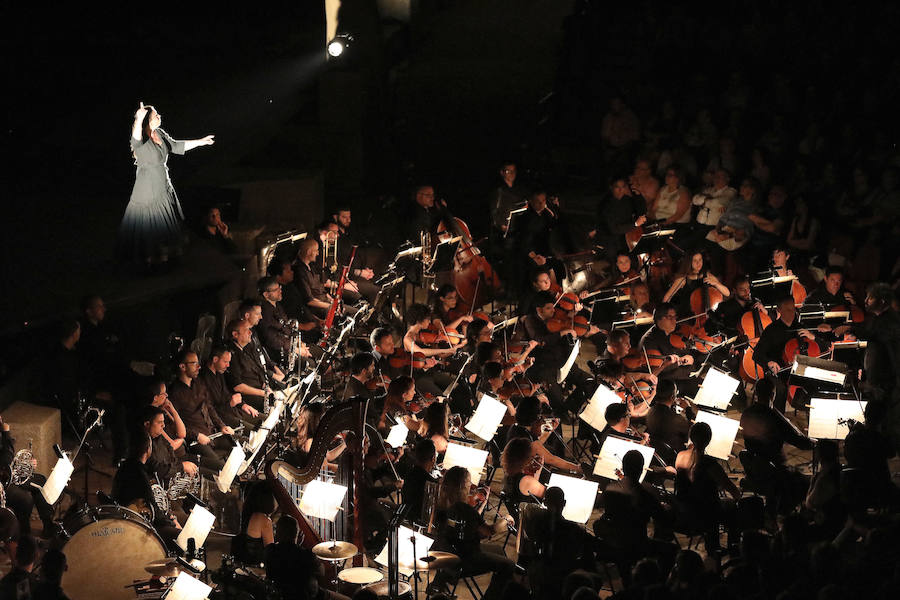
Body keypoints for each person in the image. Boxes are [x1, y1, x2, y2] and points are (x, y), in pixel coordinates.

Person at [117, 102, 214, 266]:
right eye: (156, 115)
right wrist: (138, 119)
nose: (159, 116)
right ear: (148, 120)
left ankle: (164, 258)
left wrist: (201, 141)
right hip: (148, 187)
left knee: (166, 222)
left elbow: (176, 145)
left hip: (163, 183)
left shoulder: (159, 133)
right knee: (151, 222)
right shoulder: (141, 139)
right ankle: (147, 259)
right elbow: (135, 139)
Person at [431, 466, 515, 600]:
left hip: (444, 557)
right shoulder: (464, 509)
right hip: (464, 560)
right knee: (509, 565)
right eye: (469, 483)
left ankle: (440, 581)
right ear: (463, 486)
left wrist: (481, 505)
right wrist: (506, 519)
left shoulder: (440, 504)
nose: (472, 486)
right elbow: (487, 532)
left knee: (498, 550)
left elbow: (471, 525)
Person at [673, 422, 740, 554]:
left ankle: (713, 544)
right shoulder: (710, 464)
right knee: (732, 506)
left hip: (685, 509)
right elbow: (732, 490)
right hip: (704, 513)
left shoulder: (680, 456)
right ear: (709, 440)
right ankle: (731, 548)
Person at [169, 350, 232, 471]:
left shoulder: (199, 383)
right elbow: (175, 425)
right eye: (194, 363)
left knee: (238, 447)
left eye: (198, 363)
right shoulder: (174, 393)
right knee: (221, 468)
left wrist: (221, 425)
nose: (199, 366)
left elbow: (209, 407)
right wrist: (197, 436)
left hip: (212, 432)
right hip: (196, 440)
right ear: (182, 366)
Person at [265, 515, 336, 600]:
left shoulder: (270, 551)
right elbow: (322, 572)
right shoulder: (307, 555)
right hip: (306, 596)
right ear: (298, 534)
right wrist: (299, 545)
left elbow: (288, 554)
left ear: (277, 533)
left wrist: (296, 545)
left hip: (280, 595)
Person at [198, 345, 260, 431]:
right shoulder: (203, 379)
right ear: (215, 359)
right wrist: (230, 403)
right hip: (223, 419)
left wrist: (243, 405)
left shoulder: (219, 373)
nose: (228, 365)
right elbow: (211, 409)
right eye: (225, 362)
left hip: (233, 411)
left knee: (263, 420)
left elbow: (227, 394)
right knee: (257, 430)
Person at [646, 380, 695, 464]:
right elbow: (692, 429)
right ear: (672, 397)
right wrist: (688, 409)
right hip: (673, 454)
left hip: (658, 449)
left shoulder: (650, 411)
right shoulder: (676, 419)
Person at [233, 483, 276, 565]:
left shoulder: (248, 514)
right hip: (256, 564)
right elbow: (271, 549)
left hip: (245, 560)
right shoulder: (264, 520)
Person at [401, 439, 439, 526]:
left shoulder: (408, 474)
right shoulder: (431, 484)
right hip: (421, 525)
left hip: (406, 519)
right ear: (433, 458)